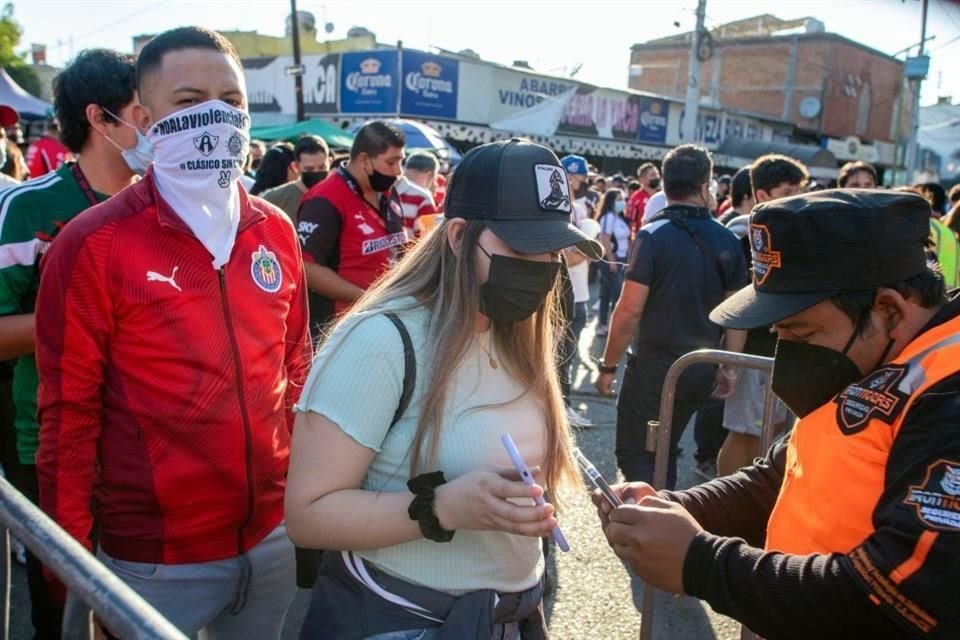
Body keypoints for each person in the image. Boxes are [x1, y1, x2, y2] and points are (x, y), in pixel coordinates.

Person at [35, 27, 310, 639]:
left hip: (271, 539)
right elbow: (69, 416)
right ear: (142, 115)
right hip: (153, 560)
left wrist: (303, 502)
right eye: (189, 101)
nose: (215, 116)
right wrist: (69, 565)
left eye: (232, 102)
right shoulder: (93, 243)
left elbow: (295, 369)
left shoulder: (275, 231)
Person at [596, 189, 960, 639]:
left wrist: (700, 562)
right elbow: (784, 475)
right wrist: (676, 507)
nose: (787, 355)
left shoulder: (948, 394)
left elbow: (903, 596)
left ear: (888, 309)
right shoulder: (880, 360)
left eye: (802, 334)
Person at [285, 138, 603, 639]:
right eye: (523, 247)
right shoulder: (381, 341)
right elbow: (307, 514)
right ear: (457, 236)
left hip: (509, 618)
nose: (544, 267)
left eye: (556, 249)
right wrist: (442, 507)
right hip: (402, 620)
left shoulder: (517, 336)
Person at [0, 48, 140, 640]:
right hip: (50, 445)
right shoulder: (29, 207)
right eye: (147, 108)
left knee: (134, 607)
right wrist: (85, 310)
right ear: (102, 119)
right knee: (66, 608)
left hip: (145, 443)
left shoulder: (172, 204)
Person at [596, 144, 747, 488]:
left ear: (663, 184)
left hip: (655, 370)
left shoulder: (652, 235)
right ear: (704, 185)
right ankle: (664, 522)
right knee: (665, 450)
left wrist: (607, 366)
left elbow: (629, 310)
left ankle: (653, 530)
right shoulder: (726, 239)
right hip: (700, 367)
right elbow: (736, 312)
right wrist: (729, 366)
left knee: (638, 453)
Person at [716, 154, 807, 476]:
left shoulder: (796, 238)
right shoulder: (745, 238)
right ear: (762, 195)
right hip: (752, 356)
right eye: (787, 192)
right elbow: (738, 306)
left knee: (772, 433)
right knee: (743, 433)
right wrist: (731, 364)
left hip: (785, 356)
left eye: (800, 190)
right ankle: (721, 501)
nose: (797, 199)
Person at [297, 120, 405, 334]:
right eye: (391, 162)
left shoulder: (387, 192)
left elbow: (398, 248)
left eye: (401, 161)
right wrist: (368, 298)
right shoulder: (324, 200)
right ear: (365, 160)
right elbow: (307, 268)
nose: (399, 171)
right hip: (339, 327)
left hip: (384, 319)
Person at [261, 134, 330, 221]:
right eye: (309, 169)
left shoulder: (339, 196)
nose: (316, 172)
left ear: (329, 162)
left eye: (321, 167)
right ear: (295, 167)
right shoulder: (275, 199)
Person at [594, 189, 630, 337]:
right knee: (617, 294)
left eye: (622, 198)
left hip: (621, 259)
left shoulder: (620, 218)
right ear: (610, 201)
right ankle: (613, 326)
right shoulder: (608, 217)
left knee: (606, 293)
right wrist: (611, 261)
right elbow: (605, 239)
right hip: (612, 260)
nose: (622, 202)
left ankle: (604, 325)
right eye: (618, 199)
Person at [396, 151, 439, 235]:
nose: (435, 184)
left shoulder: (387, 190)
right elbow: (427, 239)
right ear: (428, 173)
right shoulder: (423, 198)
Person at [626, 162, 660, 232]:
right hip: (645, 237)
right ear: (642, 179)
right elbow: (630, 222)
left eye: (657, 174)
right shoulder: (635, 198)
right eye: (653, 175)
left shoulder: (664, 195)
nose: (657, 177)